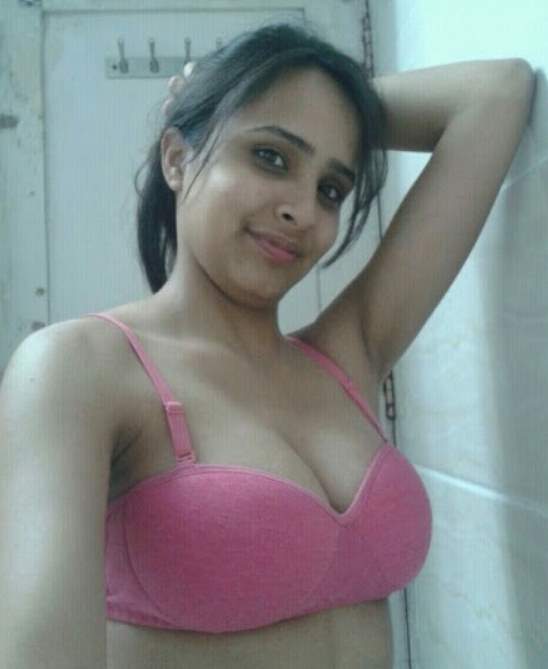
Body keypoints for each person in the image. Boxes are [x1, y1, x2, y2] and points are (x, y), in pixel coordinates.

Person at [0, 20, 534, 669]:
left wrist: (329, 102)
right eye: (270, 156)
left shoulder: (348, 355)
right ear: (177, 158)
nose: (302, 210)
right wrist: (237, 87)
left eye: (330, 189)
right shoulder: (79, 368)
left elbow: (497, 94)